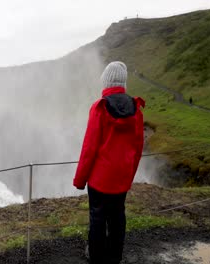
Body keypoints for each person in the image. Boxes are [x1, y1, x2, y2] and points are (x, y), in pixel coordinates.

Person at [73, 61, 145, 264]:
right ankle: (115, 257)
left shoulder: (100, 107)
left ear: (106, 82)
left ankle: (96, 257)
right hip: (121, 178)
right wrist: (129, 176)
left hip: (100, 179)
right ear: (123, 83)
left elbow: (89, 149)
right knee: (117, 217)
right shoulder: (136, 109)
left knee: (97, 218)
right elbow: (137, 150)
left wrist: (80, 180)